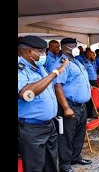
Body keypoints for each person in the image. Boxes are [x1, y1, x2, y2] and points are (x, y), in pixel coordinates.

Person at [18, 35, 68, 172]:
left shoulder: (39, 68)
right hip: (32, 129)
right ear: (29, 52)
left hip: (49, 126)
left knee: (51, 164)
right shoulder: (20, 70)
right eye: (40, 52)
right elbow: (26, 95)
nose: (44, 55)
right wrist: (54, 73)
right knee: (35, 167)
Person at [49, 38, 92, 172]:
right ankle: (65, 165)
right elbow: (57, 86)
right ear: (65, 48)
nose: (76, 48)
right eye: (73, 46)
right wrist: (66, 108)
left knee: (79, 134)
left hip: (81, 106)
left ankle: (75, 157)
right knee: (66, 136)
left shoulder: (76, 61)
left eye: (76, 45)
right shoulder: (61, 63)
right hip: (69, 105)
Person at [82, 50, 98, 118]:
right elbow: (83, 75)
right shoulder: (86, 63)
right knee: (89, 99)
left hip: (94, 81)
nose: (94, 56)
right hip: (89, 82)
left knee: (93, 98)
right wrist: (89, 84)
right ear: (89, 56)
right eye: (93, 55)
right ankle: (89, 115)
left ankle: (91, 113)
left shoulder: (92, 63)